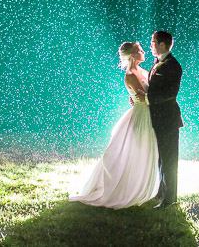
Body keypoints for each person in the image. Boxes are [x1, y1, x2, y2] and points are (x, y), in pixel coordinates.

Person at [69, 42, 161, 208]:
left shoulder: (142, 70)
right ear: (132, 55)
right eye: (139, 50)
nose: (143, 51)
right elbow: (145, 97)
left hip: (147, 113)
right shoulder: (131, 74)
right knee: (137, 151)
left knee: (145, 150)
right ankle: (129, 188)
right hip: (142, 115)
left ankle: (142, 185)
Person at [147, 30, 183, 208]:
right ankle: (161, 192)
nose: (151, 45)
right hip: (157, 118)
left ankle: (170, 198)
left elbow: (170, 93)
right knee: (161, 158)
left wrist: (147, 99)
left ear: (162, 44)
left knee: (169, 159)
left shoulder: (173, 65)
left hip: (168, 119)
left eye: (153, 42)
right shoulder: (158, 62)